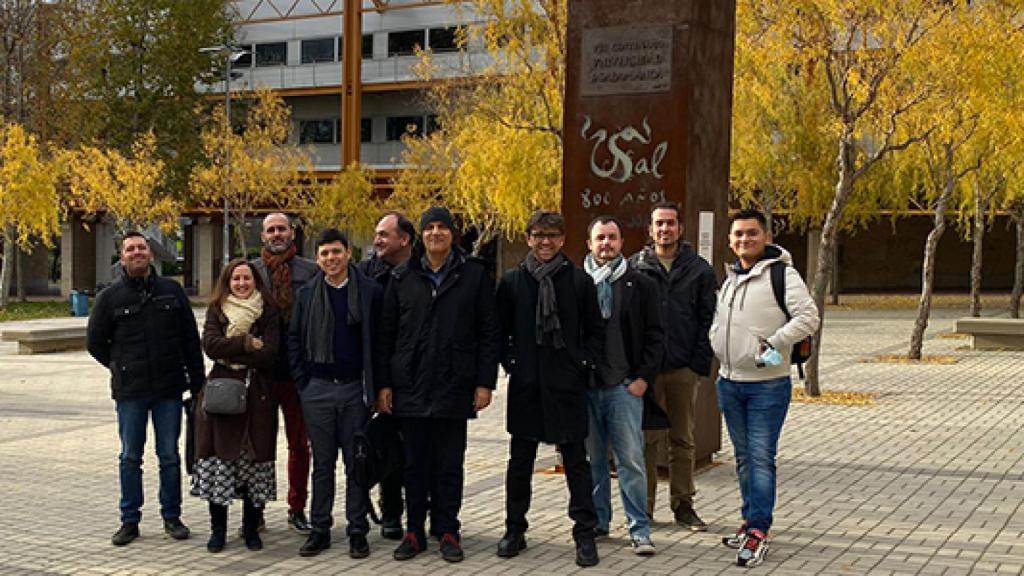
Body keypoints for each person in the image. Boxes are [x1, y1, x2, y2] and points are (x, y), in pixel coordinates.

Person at [375, 206, 500, 563]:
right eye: (429, 228)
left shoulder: (473, 276)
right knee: (413, 465)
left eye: (442, 228)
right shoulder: (402, 278)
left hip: (454, 384)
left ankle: (447, 529)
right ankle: (414, 531)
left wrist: (484, 383)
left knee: (448, 464)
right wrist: (385, 385)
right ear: (420, 236)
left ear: (452, 234)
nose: (435, 234)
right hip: (410, 385)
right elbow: (387, 336)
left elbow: (488, 333)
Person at [709, 209, 819, 568]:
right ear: (730, 239)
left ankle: (759, 529)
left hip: (766, 387)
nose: (745, 240)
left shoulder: (782, 275)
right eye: (738, 234)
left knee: (760, 459)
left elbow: (808, 317)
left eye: (752, 233)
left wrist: (771, 345)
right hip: (729, 382)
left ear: (767, 236)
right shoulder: (730, 278)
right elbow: (720, 323)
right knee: (744, 459)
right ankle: (749, 520)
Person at [495, 210, 603, 568]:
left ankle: (584, 533)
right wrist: (512, 363)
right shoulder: (512, 282)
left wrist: (581, 364)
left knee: (576, 463)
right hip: (527, 385)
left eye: (553, 236)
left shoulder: (578, 281)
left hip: (566, 385)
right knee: (519, 464)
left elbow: (594, 332)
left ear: (563, 239)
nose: (545, 242)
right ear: (528, 238)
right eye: (539, 235)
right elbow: (500, 332)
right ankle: (515, 528)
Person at [86, 231, 205, 546]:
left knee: (169, 455)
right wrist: (119, 366)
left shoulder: (172, 291)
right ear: (121, 256)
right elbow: (95, 342)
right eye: (130, 249)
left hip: (168, 389)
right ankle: (129, 520)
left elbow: (191, 341)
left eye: (141, 247)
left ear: (150, 254)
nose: (137, 252)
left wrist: (198, 385)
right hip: (132, 393)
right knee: (130, 457)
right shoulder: (109, 297)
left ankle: (172, 516)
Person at [287, 228, 382, 558]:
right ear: (317, 259)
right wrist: (303, 383)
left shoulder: (369, 292)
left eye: (336, 252)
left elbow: (380, 343)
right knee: (323, 464)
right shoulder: (307, 294)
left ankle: (358, 529)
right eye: (325, 253)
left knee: (356, 463)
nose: (331, 258)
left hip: (355, 390)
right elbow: (294, 340)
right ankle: (320, 528)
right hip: (317, 390)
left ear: (348, 254)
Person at [629, 201, 717, 530]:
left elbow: (708, 320)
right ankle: (645, 508)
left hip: (683, 369)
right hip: (647, 372)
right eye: (659, 224)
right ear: (650, 230)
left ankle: (683, 505)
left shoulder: (700, 270)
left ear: (680, 229)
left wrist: (697, 365)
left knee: (683, 439)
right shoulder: (635, 268)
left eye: (670, 223)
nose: (665, 229)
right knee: (647, 441)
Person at [583, 216, 665, 556]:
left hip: (624, 387)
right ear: (589, 243)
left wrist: (643, 378)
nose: (606, 244)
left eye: (612, 238)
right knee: (593, 460)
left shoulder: (639, 283)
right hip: (587, 389)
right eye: (600, 238)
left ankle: (639, 528)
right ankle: (599, 522)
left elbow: (656, 335)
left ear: (621, 242)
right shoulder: (577, 283)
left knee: (630, 460)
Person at [193, 258, 280, 553]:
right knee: (221, 462)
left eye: (247, 278)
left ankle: (251, 528)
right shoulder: (217, 310)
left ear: (256, 281)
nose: (242, 284)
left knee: (254, 463)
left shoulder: (268, 312)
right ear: (227, 283)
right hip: (221, 396)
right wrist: (246, 344)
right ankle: (218, 530)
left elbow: (269, 354)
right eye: (235, 279)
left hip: (258, 396)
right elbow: (211, 346)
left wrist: (233, 351)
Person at [251, 212, 318, 535]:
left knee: (299, 445)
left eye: (282, 228)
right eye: (270, 230)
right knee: (259, 446)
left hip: (297, 374)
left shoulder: (310, 271)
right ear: (262, 236)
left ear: (293, 232)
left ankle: (297, 508)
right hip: (262, 373)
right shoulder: (249, 272)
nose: (277, 234)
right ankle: (256, 509)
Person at [357, 211, 416, 540]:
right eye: (377, 234)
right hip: (380, 377)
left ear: (404, 239)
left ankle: (427, 511)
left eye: (384, 234)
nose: (377, 240)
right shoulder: (366, 275)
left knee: (422, 451)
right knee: (388, 448)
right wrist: (378, 385)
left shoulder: (421, 272)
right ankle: (390, 512)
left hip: (419, 376)